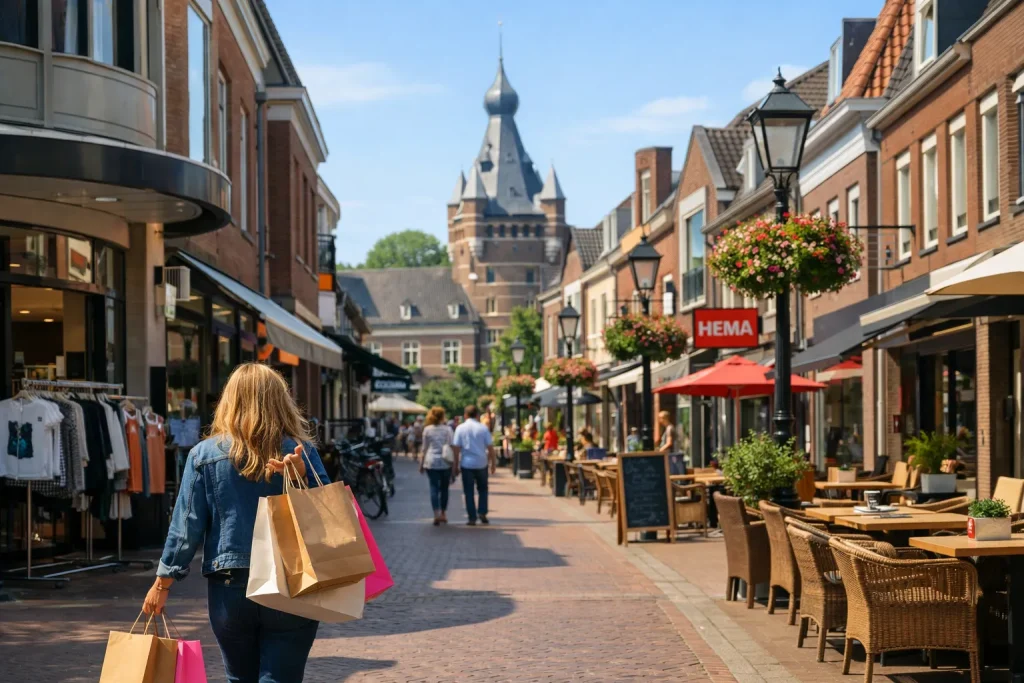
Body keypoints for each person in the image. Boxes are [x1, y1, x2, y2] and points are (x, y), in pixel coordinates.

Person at [144, 363, 330, 682]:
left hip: (230, 586)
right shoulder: (300, 451)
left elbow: (186, 526)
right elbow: (329, 516)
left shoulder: (204, 455)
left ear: (228, 401)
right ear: (281, 401)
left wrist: (163, 582)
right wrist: (302, 476)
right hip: (292, 581)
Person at [452, 404, 496, 526]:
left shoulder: (460, 428)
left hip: (467, 464)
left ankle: (472, 517)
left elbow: (456, 448)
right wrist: (493, 463)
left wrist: (455, 465)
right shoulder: (483, 428)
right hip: (482, 463)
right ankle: (482, 511)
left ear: (465, 415)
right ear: (477, 415)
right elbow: (490, 447)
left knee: (468, 491)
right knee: (483, 489)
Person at [419, 406, 454, 525]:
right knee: (444, 488)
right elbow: (451, 445)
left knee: (434, 488)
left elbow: (424, 448)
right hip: (445, 462)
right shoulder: (448, 429)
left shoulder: (427, 430)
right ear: (443, 416)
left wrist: (421, 464)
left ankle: (436, 514)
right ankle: (443, 513)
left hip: (431, 461)